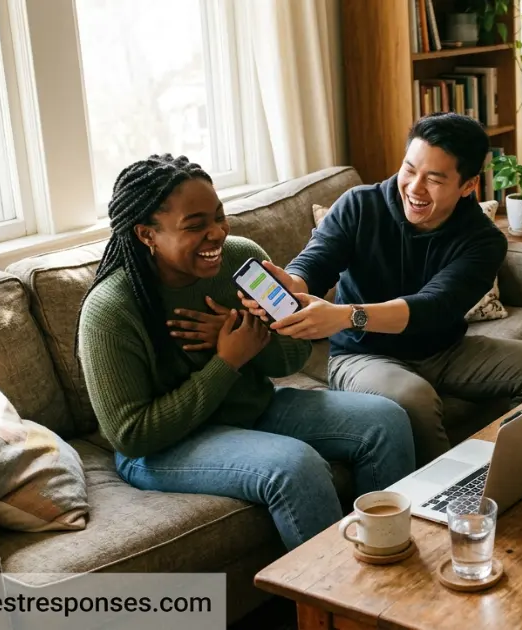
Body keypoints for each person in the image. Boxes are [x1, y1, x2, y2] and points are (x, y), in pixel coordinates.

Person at [76, 154, 415, 551]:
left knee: (386, 420)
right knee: (294, 465)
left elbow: (292, 359)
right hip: (162, 449)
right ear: (147, 235)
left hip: (253, 410)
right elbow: (132, 435)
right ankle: (340, 602)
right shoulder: (111, 310)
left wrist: (252, 336)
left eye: (219, 216)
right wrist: (228, 360)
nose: (217, 233)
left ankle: (390, 562)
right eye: (195, 225)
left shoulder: (241, 258)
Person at [240, 113, 522, 465]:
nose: (414, 188)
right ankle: (442, 500)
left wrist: (344, 316)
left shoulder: (482, 240)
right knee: (414, 397)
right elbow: (316, 262)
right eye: (409, 170)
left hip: (445, 351)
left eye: (434, 179)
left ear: (469, 185)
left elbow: (433, 307)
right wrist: (293, 283)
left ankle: (517, 468)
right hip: (362, 355)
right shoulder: (360, 205)